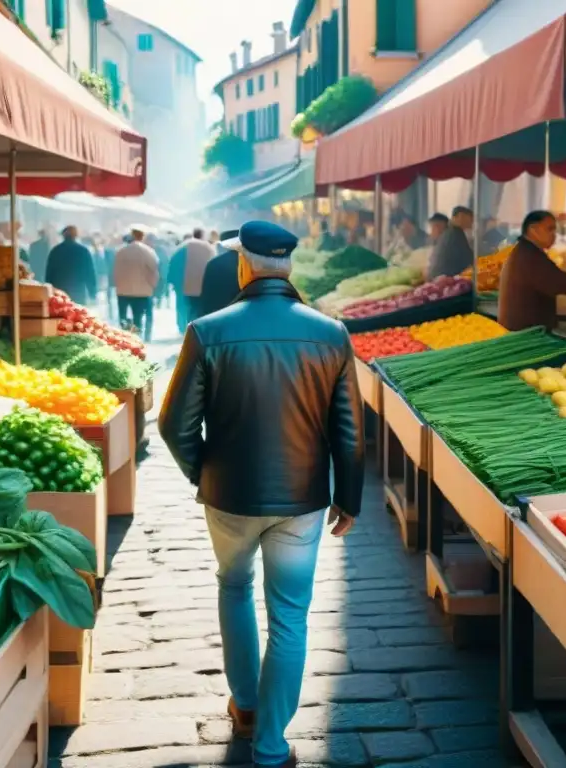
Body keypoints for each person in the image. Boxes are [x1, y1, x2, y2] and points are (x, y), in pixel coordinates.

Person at [158, 220, 364, 768]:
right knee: (291, 616)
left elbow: (174, 424)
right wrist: (350, 497)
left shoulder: (207, 330)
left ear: (244, 265)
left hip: (229, 498)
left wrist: (205, 472)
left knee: (233, 585)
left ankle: (245, 707)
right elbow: (349, 430)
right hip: (301, 499)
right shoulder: (331, 333)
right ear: (288, 266)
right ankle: (271, 746)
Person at [498, 210, 566, 331]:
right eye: (550, 229)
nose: (554, 235)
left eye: (555, 230)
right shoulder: (530, 257)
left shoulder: (526, 251)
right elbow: (562, 284)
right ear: (533, 230)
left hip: (521, 329)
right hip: (524, 334)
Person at [113, 227, 160, 341]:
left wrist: (117, 284)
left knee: (123, 316)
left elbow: (115, 270)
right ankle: (138, 337)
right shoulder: (148, 251)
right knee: (138, 317)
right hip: (142, 291)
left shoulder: (121, 251)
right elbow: (154, 270)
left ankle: (126, 336)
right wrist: (153, 285)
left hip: (123, 290)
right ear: (142, 237)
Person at [44, 226, 97, 306]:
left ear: (63, 235)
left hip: (59, 291)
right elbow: (90, 272)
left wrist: (49, 291)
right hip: (78, 290)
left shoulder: (55, 251)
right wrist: (92, 292)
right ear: (76, 235)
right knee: (78, 313)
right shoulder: (83, 251)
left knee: (61, 315)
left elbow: (49, 273)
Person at [196, 230, 242, 318]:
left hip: (216, 312)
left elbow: (205, 293)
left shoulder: (213, 263)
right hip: (239, 313)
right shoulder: (250, 263)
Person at [426, 206, 474, 280]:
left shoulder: (448, 233)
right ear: (461, 216)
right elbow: (468, 260)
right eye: (470, 219)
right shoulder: (456, 233)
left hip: (437, 278)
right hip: (445, 280)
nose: (472, 223)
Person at [181, 227, 217, 322]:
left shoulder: (185, 246)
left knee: (190, 310)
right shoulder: (208, 247)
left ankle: (188, 330)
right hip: (203, 284)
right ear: (202, 235)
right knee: (200, 311)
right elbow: (214, 264)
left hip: (188, 284)